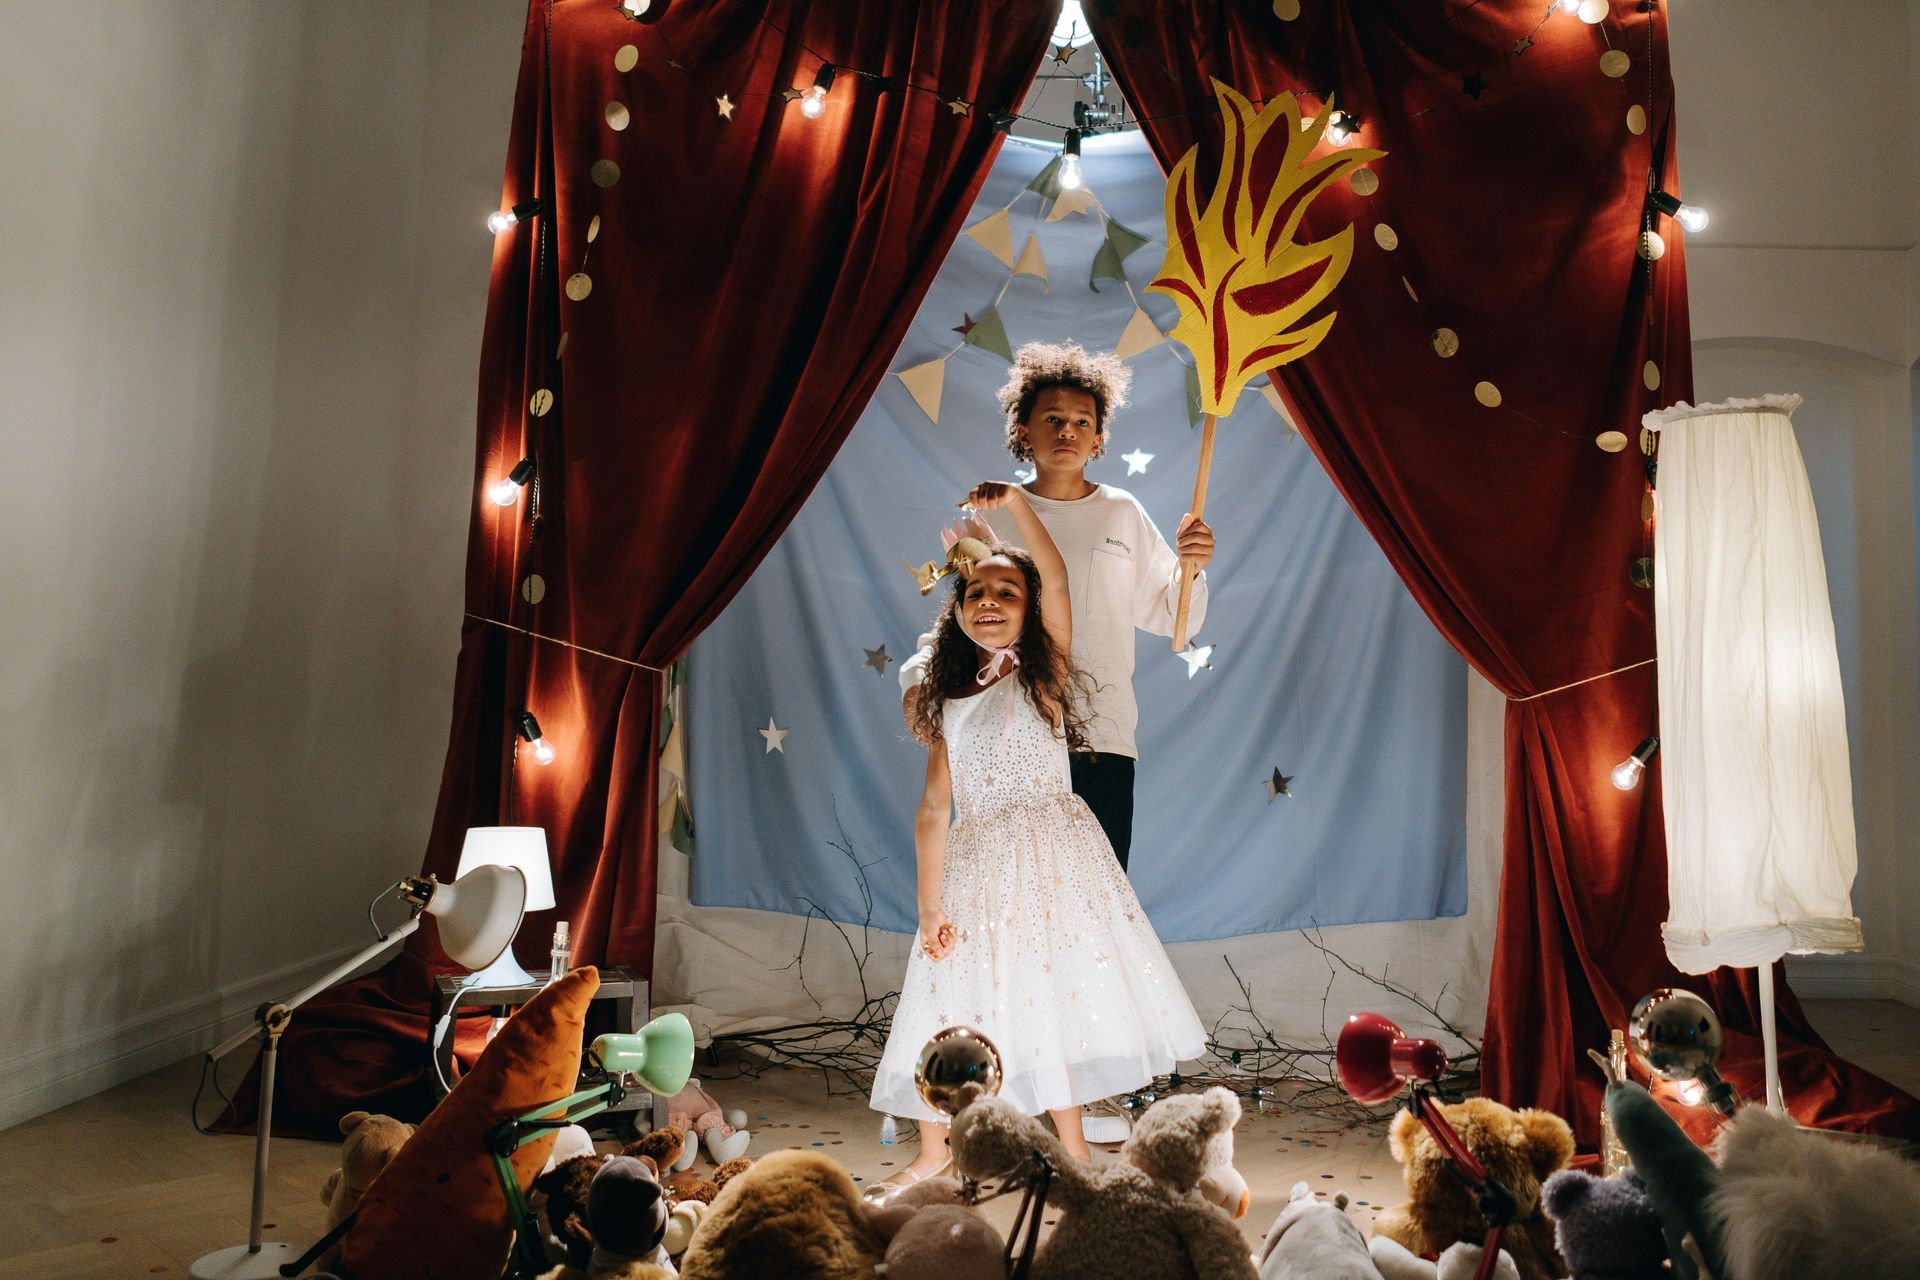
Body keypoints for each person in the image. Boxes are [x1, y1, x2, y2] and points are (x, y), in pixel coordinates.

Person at [866, 481, 1207, 1195]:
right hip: (976, 857)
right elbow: (934, 808)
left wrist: (1013, 510)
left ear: (1031, 613)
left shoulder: (1042, 673)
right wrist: (929, 906)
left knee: (1051, 991)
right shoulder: (947, 700)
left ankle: (1073, 1147)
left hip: (1053, 854)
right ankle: (934, 1152)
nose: (989, 603)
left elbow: (1052, 575)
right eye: (975, 594)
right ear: (955, 612)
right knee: (943, 993)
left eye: (1006, 594)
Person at [899, 341, 1215, 872]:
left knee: (1100, 902)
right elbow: (963, 622)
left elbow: (1172, 617)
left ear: (1098, 438)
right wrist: (921, 682)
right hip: (1011, 736)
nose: (1067, 431)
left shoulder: (1121, 513)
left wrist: (1193, 565)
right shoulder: (994, 517)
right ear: (1023, 431)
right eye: (1052, 418)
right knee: (1018, 897)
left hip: (1104, 734)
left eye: (1081, 421)